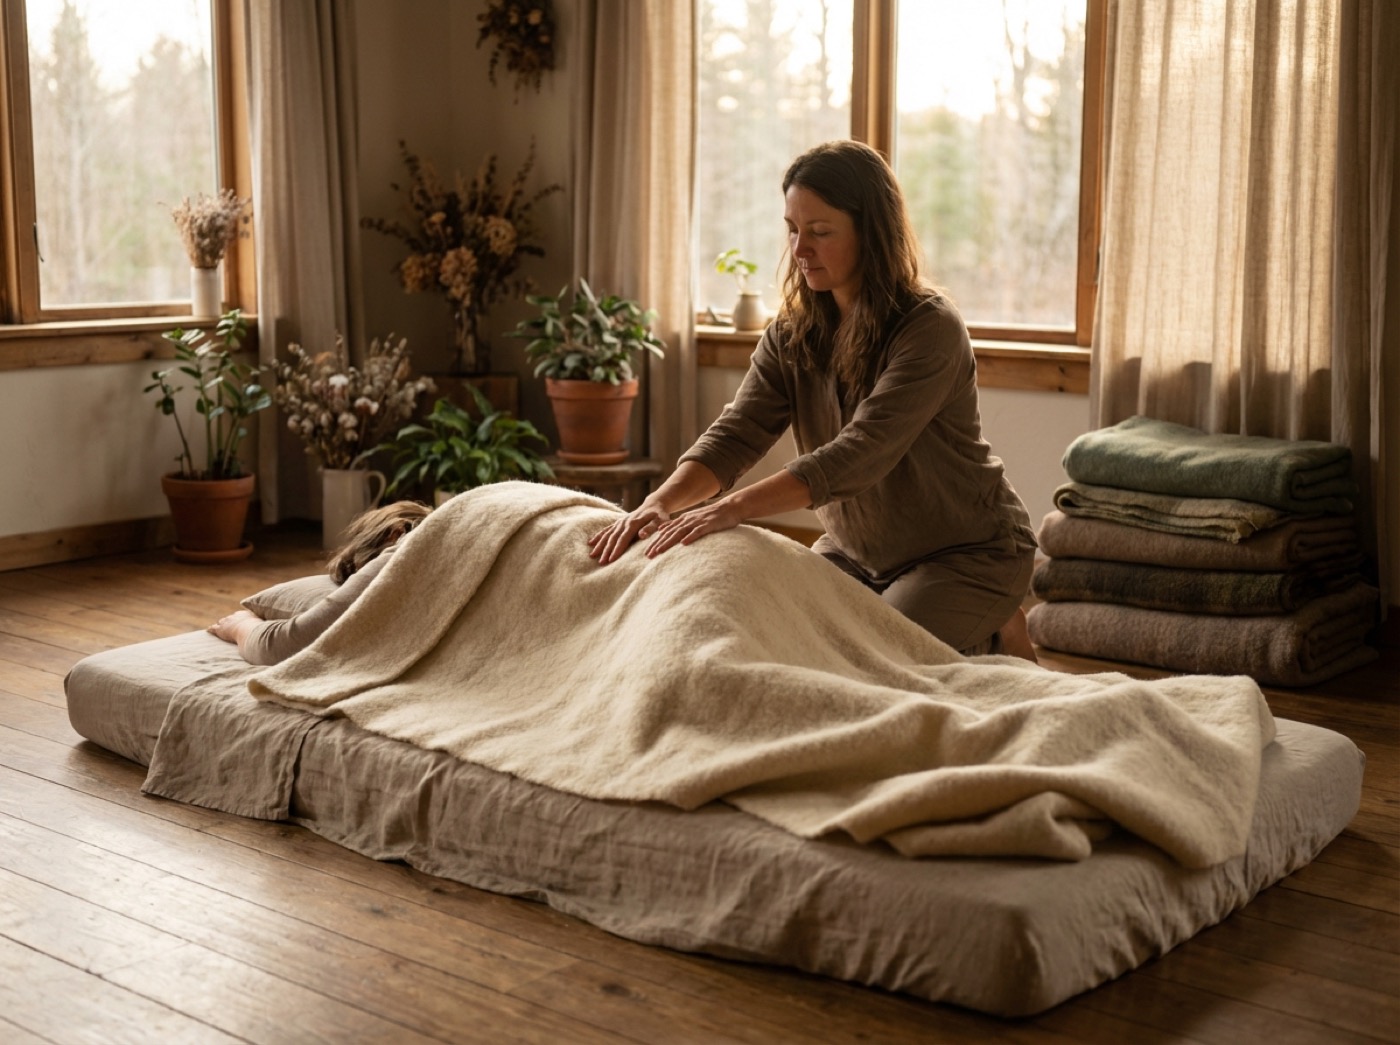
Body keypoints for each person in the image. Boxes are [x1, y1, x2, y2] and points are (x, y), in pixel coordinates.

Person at [589, 140, 1038, 660]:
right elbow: (738, 432)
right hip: (853, 555)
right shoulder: (792, 331)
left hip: (966, 554)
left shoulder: (930, 327)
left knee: (868, 662)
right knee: (780, 642)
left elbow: (860, 452)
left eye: (820, 232)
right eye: (793, 230)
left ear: (872, 234)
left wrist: (732, 508)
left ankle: (994, 626)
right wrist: (658, 503)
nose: (800, 249)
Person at [208, 500, 432, 664]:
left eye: (359, 572)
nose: (359, 582)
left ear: (393, 534)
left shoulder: (403, 549)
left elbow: (281, 647)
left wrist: (240, 626)